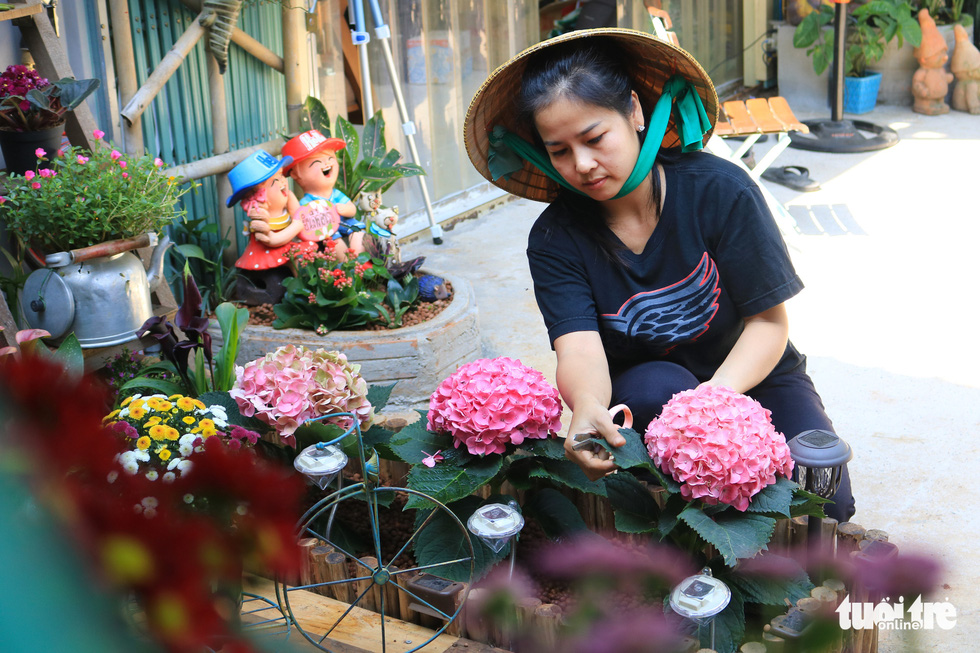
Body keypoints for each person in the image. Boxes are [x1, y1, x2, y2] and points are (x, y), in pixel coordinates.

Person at [463, 29, 855, 522]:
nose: (582, 165)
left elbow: (769, 324)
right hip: (650, 392)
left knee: (822, 497)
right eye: (559, 150)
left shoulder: (719, 191)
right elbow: (579, 346)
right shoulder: (555, 239)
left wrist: (714, 405)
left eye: (594, 138)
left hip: (753, 374)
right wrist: (585, 406)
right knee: (660, 398)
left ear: (633, 111)